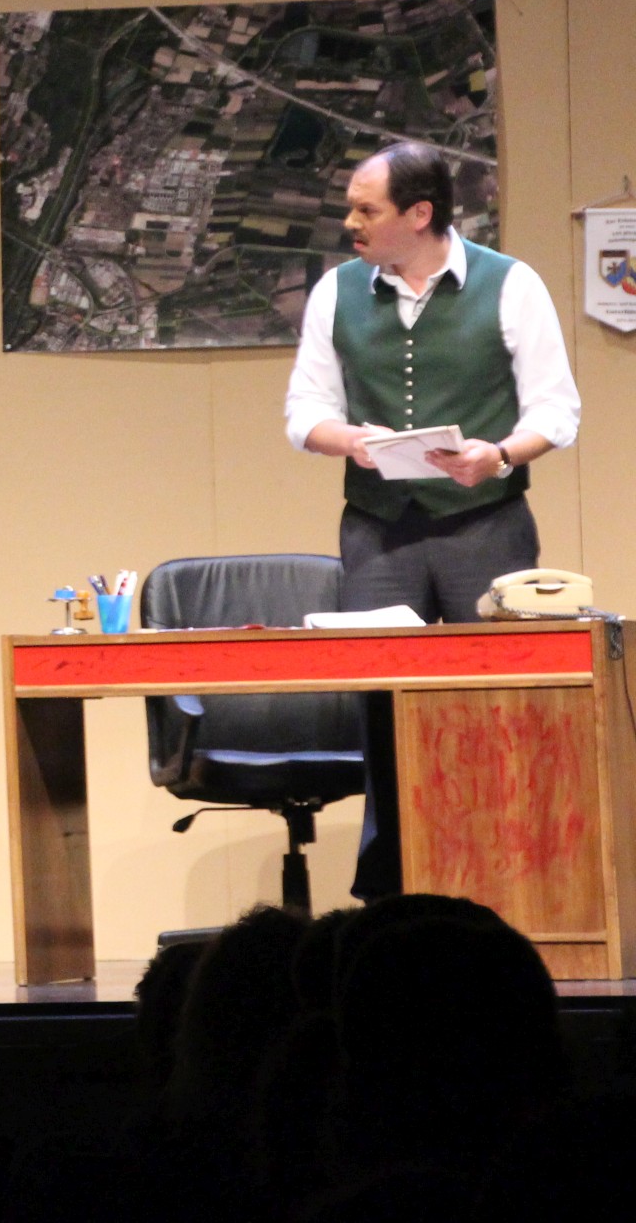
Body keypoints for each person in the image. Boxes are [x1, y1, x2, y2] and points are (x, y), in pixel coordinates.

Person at [284, 143, 580, 898]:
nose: (351, 222)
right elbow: (305, 411)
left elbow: (556, 410)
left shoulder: (510, 284)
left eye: (366, 209)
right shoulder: (337, 292)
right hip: (379, 528)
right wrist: (352, 440)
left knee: (501, 707)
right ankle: (392, 892)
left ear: (419, 214)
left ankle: (512, 886)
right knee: (383, 709)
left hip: (485, 524)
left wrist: (499, 454)